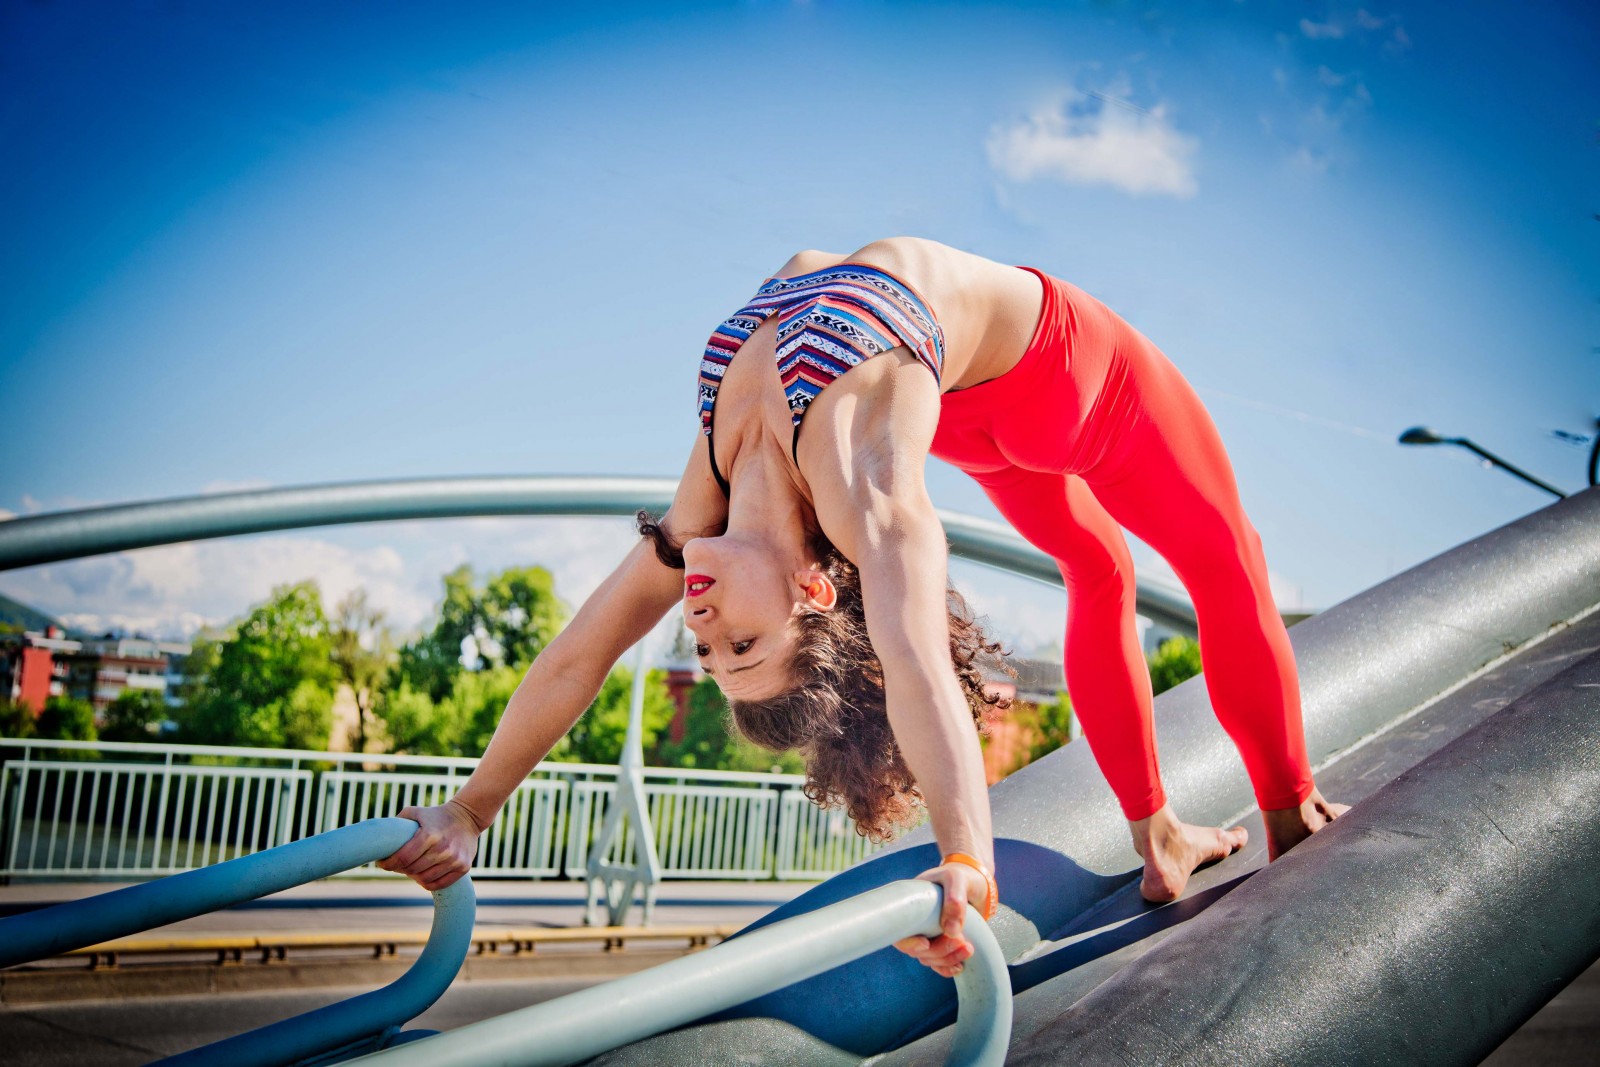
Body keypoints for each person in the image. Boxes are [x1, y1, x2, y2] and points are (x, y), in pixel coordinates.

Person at [379, 236, 1346, 980]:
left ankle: (1167, 835)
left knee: (1099, 565)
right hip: (1073, 377)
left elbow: (578, 655)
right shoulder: (867, 495)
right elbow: (917, 661)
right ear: (812, 589)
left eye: (709, 652)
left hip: (971, 405)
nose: (704, 629)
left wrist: (472, 807)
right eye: (744, 643)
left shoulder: (702, 504)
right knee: (1223, 560)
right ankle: (1281, 806)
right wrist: (965, 858)